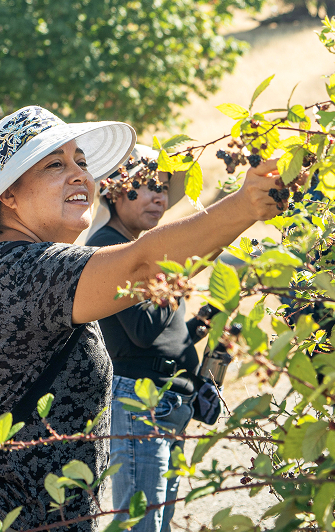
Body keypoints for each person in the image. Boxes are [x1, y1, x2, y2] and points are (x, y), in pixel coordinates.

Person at [0, 105, 285, 531]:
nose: (80, 175)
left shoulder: (8, 265)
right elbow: (142, 269)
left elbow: (158, 274)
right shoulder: (26, 270)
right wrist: (244, 205)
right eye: (55, 164)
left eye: (82, 163)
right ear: (8, 195)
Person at [84, 145, 211, 532]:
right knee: (140, 524)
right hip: (140, 399)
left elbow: (164, 337)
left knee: (158, 522)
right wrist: (186, 268)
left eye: (163, 188)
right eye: (148, 185)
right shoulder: (108, 247)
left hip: (169, 397)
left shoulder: (143, 252)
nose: (159, 195)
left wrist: (206, 321)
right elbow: (142, 332)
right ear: (115, 190)